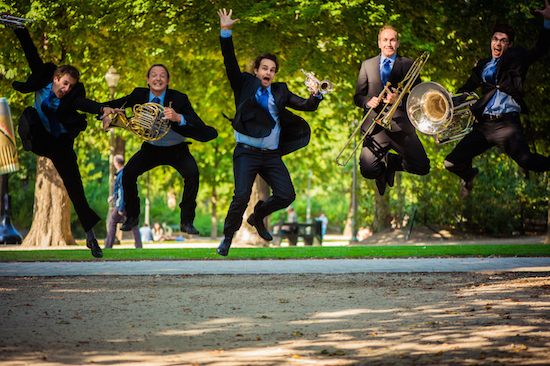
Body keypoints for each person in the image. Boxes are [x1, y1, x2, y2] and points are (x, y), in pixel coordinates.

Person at [216, 9, 324, 256]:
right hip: (246, 153)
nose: (268, 72)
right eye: (264, 68)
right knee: (241, 196)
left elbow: (306, 106)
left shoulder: (281, 91)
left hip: (271, 155)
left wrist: (316, 94)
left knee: (287, 195)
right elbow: (229, 61)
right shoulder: (243, 84)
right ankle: (227, 237)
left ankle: (258, 215)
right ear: (256, 71)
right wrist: (225, 31)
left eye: (272, 69)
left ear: (275, 74)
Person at [5, 18, 115, 258]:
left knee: (75, 188)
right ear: (55, 78)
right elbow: (31, 53)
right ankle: (28, 139)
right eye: (64, 83)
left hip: (60, 144)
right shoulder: (42, 80)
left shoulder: (70, 98)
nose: (66, 89)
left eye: (70, 86)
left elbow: (83, 103)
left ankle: (91, 239)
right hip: (39, 136)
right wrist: (20, 30)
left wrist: (101, 109)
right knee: (30, 113)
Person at [444, 2, 550, 199]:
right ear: (491, 41)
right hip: (483, 126)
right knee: (450, 163)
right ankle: (468, 176)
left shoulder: (517, 61)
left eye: (503, 40)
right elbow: (466, 88)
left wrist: (547, 21)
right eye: (495, 39)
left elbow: (539, 48)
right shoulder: (483, 65)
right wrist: (451, 105)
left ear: (509, 45)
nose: (498, 43)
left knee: (527, 161)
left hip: (508, 125)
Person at [104, 64, 217, 235]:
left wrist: (179, 117)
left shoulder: (179, 98)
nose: (158, 78)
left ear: (168, 81)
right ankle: (132, 216)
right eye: (154, 75)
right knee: (127, 174)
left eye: (162, 75)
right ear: (148, 80)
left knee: (193, 174)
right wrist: (103, 113)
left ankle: (186, 221)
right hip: (152, 148)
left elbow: (198, 122)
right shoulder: (139, 94)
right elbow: (114, 103)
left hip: (177, 149)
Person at [354, 25, 430, 196]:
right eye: (385, 40)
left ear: (397, 43)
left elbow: (420, 98)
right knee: (367, 169)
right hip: (375, 127)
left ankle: (393, 162)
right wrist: (368, 101)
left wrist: (400, 100)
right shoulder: (367, 65)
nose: (389, 43)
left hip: (400, 126)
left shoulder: (410, 65)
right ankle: (381, 173)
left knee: (423, 167)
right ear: (379, 43)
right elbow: (357, 97)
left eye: (392, 40)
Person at [104, 155, 142, 249]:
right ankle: (139, 246)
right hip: (126, 203)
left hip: (121, 204)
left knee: (112, 223)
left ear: (117, 163)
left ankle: (108, 246)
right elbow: (120, 191)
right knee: (133, 224)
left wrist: (121, 207)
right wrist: (113, 196)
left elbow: (123, 191)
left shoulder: (121, 174)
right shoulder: (125, 172)